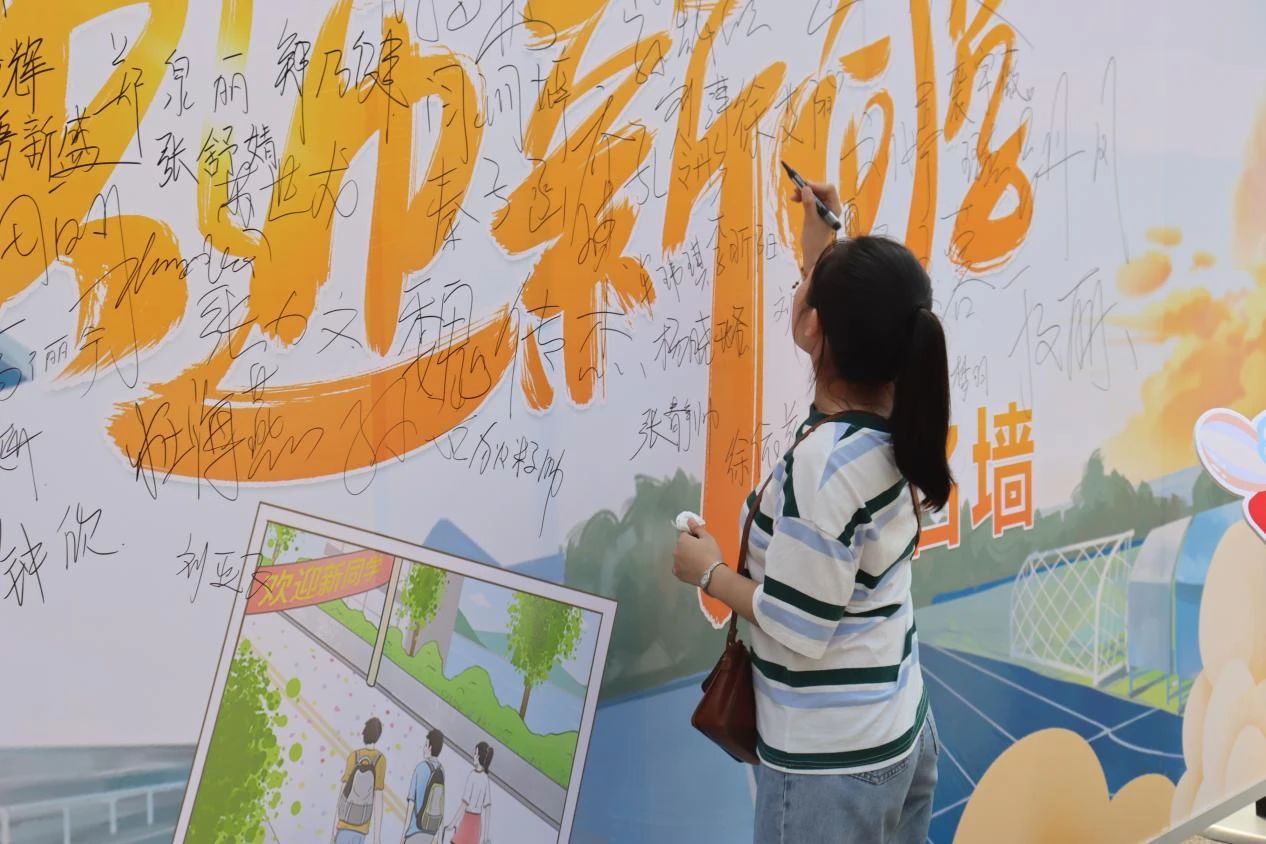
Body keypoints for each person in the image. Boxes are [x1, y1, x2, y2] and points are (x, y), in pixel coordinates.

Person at [671, 181, 950, 844]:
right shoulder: (895, 425)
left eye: (806, 288)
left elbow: (797, 623)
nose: (798, 288)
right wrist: (823, 236)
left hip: (832, 771)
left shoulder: (822, 467)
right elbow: (856, 315)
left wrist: (708, 572)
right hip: (896, 731)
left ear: (814, 328)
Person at [332, 717, 387, 844]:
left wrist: (334, 829)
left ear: (364, 733)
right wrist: (376, 838)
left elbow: (342, 794)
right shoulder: (380, 759)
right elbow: (378, 799)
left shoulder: (354, 756)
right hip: (362, 827)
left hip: (344, 823)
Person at [443, 741, 494, 844]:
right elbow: (487, 808)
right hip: (477, 824)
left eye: (475, 753)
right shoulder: (485, 779)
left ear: (479, 756)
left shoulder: (472, 775)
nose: (474, 756)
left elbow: (464, 804)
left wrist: (452, 824)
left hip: (468, 820)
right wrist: (485, 837)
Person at [401, 728, 446, 844]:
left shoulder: (420, 768)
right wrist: (439, 838)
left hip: (415, 831)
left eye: (426, 745)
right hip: (430, 833)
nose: (424, 748)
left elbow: (411, 803)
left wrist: (404, 834)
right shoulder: (441, 771)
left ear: (430, 747)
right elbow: (441, 806)